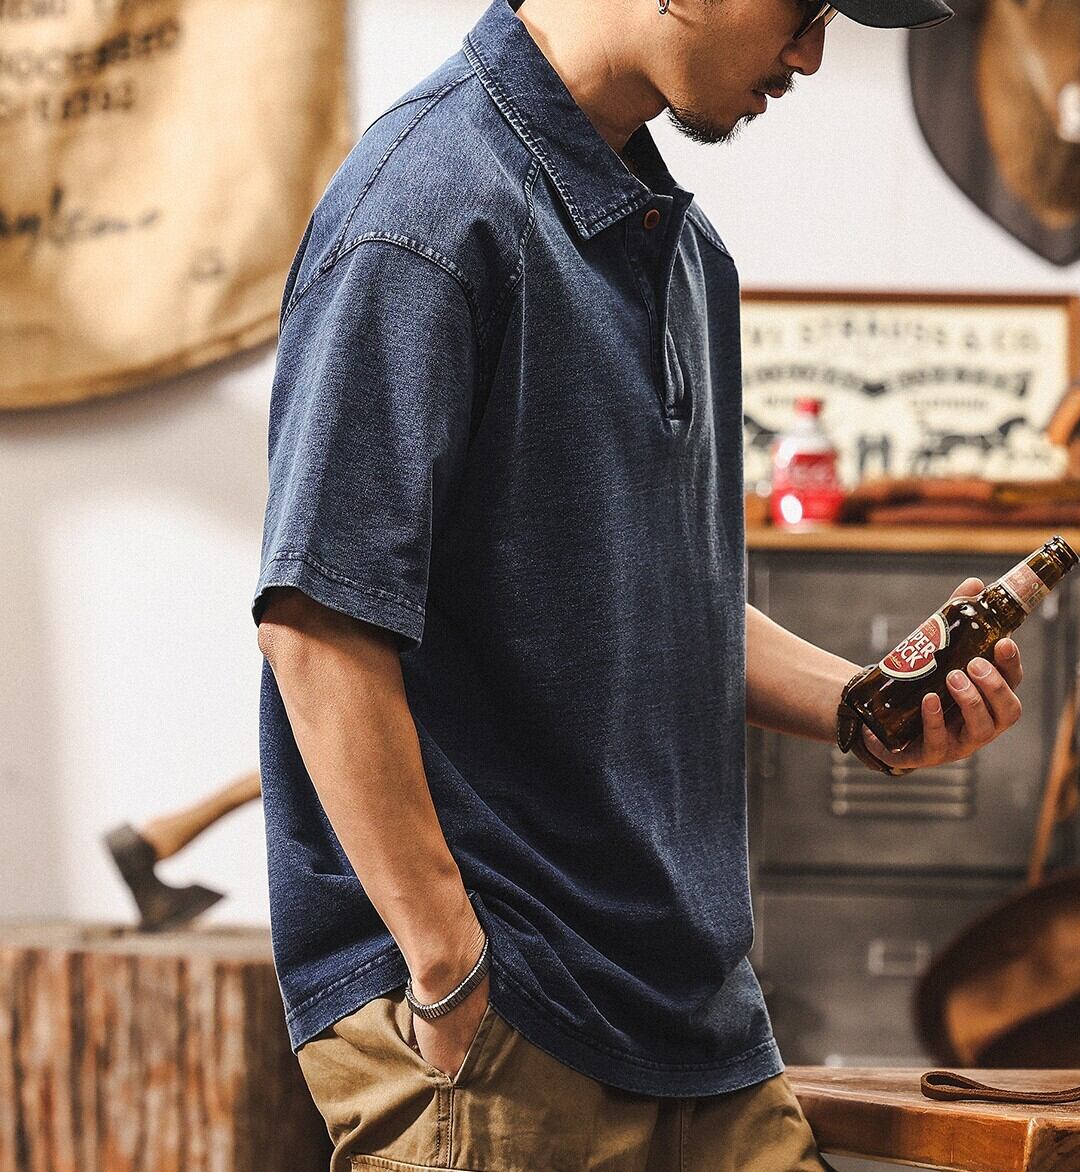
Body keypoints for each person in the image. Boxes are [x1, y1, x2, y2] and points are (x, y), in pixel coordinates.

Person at [253, 1, 1022, 1168]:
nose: (813, 53)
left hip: (694, 1016)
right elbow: (317, 626)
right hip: (507, 1023)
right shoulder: (422, 213)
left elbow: (666, 592)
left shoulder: (681, 251)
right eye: (803, 6)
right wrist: (450, 965)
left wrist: (862, 704)